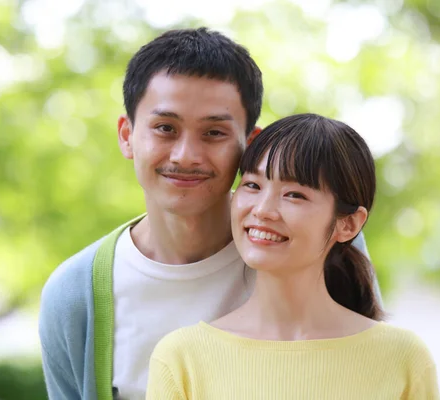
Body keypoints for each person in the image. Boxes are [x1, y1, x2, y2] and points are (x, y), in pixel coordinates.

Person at [38, 29, 379, 400]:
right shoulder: (75, 294)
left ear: (250, 143)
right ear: (127, 135)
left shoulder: (311, 244)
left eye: (214, 132)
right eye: (165, 128)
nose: (186, 155)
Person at [146, 113, 439, 399]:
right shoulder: (182, 359)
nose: (261, 209)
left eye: (294, 195)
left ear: (348, 224)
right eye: (252, 185)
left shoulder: (403, 360)